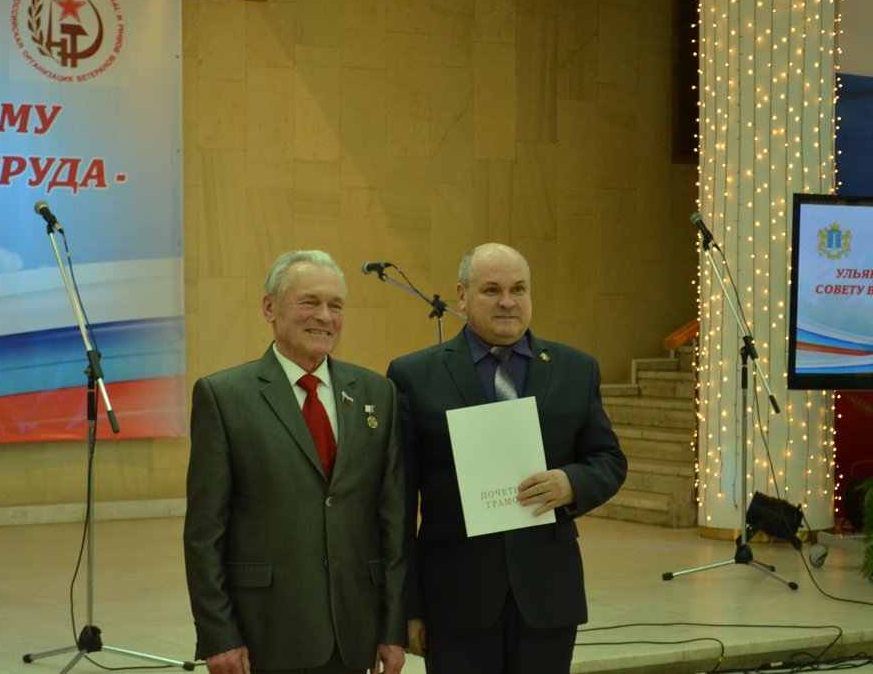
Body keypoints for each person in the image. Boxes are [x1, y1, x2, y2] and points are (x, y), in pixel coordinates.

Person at [386, 242, 627, 674]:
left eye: (518, 289)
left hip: (548, 595)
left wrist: (572, 483)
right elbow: (399, 503)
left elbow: (608, 459)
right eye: (491, 290)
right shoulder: (414, 375)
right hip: (455, 597)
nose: (508, 302)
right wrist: (408, 606)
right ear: (462, 296)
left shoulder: (576, 369)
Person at [184, 249, 407, 674]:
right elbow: (204, 533)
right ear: (270, 308)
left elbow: (393, 521)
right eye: (309, 302)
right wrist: (218, 634)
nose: (324, 316)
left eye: (335, 305)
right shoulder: (224, 397)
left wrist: (392, 625)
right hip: (265, 632)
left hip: (354, 631)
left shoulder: (377, 394)